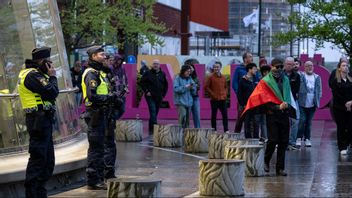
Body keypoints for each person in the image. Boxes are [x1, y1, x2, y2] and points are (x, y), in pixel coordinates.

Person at [242, 58, 295, 176]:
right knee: (273, 140)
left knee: (284, 141)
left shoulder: (285, 79)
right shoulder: (265, 81)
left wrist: (286, 104)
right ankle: (266, 160)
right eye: (277, 67)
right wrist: (277, 107)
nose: (280, 69)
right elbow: (264, 100)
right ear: (272, 67)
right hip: (272, 114)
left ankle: (280, 168)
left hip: (284, 114)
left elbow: (288, 95)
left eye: (281, 67)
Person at [18, 47, 59, 197]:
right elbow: (52, 92)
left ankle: (40, 193)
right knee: (38, 159)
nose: (51, 65)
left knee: (48, 161)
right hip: (38, 121)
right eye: (48, 61)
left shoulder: (37, 74)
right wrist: (53, 77)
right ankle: (32, 194)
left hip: (43, 120)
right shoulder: (33, 76)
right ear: (41, 61)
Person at [81, 46, 117, 190]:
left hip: (102, 113)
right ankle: (93, 180)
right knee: (96, 148)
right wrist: (109, 97)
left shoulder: (99, 72)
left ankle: (100, 177)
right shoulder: (91, 73)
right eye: (102, 54)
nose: (105, 56)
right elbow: (92, 96)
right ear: (94, 56)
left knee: (101, 147)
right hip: (95, 113)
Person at [296, 61, 322, 148]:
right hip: (302, 102)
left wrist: (318, 98)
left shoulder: (317, 77)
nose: (309, 67)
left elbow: (319, 90)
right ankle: (299, 138)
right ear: (304, 67)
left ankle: (307, 139)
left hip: (312, 103)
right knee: (302, 120)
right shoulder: (301, 76)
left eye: (311, 66)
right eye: (307, 66)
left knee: (309, 122)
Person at [232, 52, 259, 133]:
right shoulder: (238, 69)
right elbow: (234, 83)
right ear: (245, 59)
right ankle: (236, 134)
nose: (252, 58)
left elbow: (257, 82)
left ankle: (251, 137)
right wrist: (240, 94)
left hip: (253, 99)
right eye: (250, 57)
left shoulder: (255, 69)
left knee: (253, 119)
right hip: (242, 99)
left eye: (252, 57)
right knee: (240, 117)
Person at [140, 59, 168, 135]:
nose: (155, 65)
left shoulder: (163, 74)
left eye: (157, 64)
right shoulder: (147, 73)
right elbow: (142, 82)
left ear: (159, 65)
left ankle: (151, 128)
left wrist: (163, 95)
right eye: (154, 64)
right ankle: (155, 128)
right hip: (150, 96)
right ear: (152, 65)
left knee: (155, 112)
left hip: (159, 96)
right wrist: (146, 91)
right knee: (152, 110)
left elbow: (166, 85)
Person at [330, 60, 352, 155]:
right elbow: (336, 94)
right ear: (339, 68)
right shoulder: (336, 80)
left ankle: (347, 143)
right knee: (341, 127)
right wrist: (345, 103)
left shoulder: (351, 79)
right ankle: (342, 147)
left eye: (347, 65)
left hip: (351, 106)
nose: (345, 67)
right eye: (343, 65)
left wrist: (351, 102)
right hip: (339, 108)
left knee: (350, 126)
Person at [204, 61, 229, 132]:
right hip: (214, 100)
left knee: (225, 115)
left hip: (223, 99)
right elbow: (206, 87)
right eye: (215, 67)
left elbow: (226, 87)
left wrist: (225, 94)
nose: (216, 68)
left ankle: (226, 130)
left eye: (217, 67)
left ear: (220, 67)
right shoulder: (210, 77)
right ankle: (214, 130)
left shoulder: (223, 77)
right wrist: (213, 94)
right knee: (214, 115)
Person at [237, 63, 259, 138]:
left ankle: (256, 139)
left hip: (256, 105)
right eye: (254, 69)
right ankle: (248, 139)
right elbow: (239, 94)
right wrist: (243, 104)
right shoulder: (242, 80)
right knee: (247, 123)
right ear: (249, 70)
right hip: (246, 106)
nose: (256, 70)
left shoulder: (256, 79)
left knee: (256, 123)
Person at [284, 57, 301, 151]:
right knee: (284, 122)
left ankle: (292, 142)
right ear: (285, 64)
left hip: (293, 101)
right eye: (288, 64)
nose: (290, 66)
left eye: (292, 64)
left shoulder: (296, 76)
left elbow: (296, 89)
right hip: (282, 101)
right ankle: (284, 142)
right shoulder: (280, 74)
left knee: (295, 121)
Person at [110, 54, 129, 120]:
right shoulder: (110, 68)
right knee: (115, 109)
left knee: (122, 110)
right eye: (118, 60)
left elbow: (125, 79)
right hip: (114, 93)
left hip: (122, 92)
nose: (119, 61)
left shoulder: (122, 68)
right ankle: (113, 122)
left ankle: (114, 121)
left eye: (120, 60)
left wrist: (126, 88)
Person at [186, 61, 201, 128]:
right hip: (187, 98)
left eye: (192, 68)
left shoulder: (196, 77)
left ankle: (198, 130)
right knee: (186, 116)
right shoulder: (184, 77)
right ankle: (186, 130)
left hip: (195, 98)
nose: (190, 70)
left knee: (197, 115)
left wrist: (194, 86)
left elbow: (199, 87)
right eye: (189, 68)